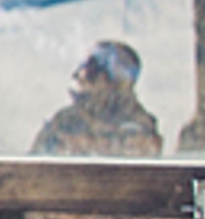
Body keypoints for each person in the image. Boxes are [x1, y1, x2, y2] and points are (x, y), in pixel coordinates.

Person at [32, 39, 163, 157]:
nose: (79, 77)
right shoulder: (65, 121)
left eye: (90, 71)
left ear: (111, 81)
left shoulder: (138, 126)